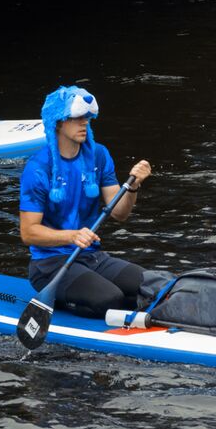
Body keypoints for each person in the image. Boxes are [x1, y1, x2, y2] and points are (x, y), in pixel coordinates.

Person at [18, 86, 153, 318]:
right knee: (112, 299)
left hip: (92, 257)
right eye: (76, 118)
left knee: (152, 287)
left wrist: (133, 187)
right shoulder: (38, 167)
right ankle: (65, 304)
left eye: (87, 118)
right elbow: (28, 233)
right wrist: (71, 235)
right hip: (50, 264)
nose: (84, 123)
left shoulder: (98, 155)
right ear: (58, 122)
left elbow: (120, 213)